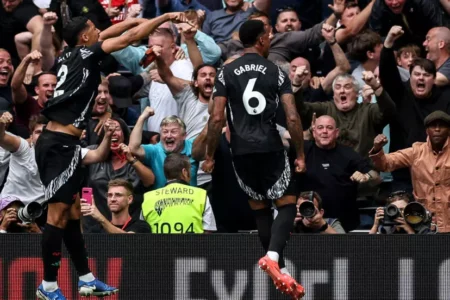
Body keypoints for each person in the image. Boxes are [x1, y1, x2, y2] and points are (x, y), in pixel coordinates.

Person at [34, 11, 191, 300]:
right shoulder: (86, 54)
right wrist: (167, 16)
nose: (98, 31)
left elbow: (120, 29)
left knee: (70, 215)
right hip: (57, 145)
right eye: (93, 28)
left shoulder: (71, 53)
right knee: (57, 216)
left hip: (64, 145)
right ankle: (48, 286)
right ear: (84, 37)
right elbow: (128, 37)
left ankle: (86, 279)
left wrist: (144, 22)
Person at [204, 20, 306, 298]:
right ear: (261, 40)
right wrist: (300, 153)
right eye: (269, 36)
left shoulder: (225, 72)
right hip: (271, 147)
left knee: (260, 209)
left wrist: (210, 155)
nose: (271, 39)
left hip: (240, 152)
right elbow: (293, 115)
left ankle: (281, 271)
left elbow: (216, 118)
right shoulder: (276, 70)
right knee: (286, 205)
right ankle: (273, 257)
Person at [369, 111, 450, 233]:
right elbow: (385, 164)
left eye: (442, 125)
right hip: (422, 223)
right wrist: (377, 148)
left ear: (448, 129)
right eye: (433, 126)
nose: (437, 129)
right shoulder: (416, 152)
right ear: (427, 130)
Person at [296, 115, 380, 231]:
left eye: (329, 128)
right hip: (307, 219)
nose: (324, 131)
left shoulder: (348, 154)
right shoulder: (302, 150)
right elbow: (283, 140)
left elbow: (376, 176)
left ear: (336, 133)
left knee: (341, 248)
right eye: (320, 128)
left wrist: (366, 176)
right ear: (314, 132)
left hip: (343, 222)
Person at [141, 153, 216, 233]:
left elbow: (141, 230)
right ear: (184, 172)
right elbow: (208, 230)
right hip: (193, 245)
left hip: (158, 245)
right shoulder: (201, 195)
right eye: (190, 170)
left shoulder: (148, 198)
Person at [81, 179, 151, 233]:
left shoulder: (141, 226)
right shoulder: (96, 230)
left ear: (130, 199)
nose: (112, 199)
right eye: (109, 195)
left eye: (118, 195)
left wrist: (100, 218)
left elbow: (130, 241)